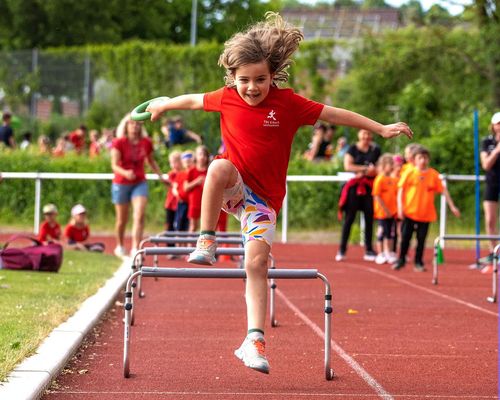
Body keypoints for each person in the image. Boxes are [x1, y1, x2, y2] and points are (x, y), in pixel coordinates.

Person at [145, 12, 412, 375]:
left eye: (260, 80)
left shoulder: (289, 104)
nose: (252, 88)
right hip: (235, 187)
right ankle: (206, 239)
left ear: (273, 75)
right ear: (232, 79)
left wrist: (379, 128)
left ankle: (253, 340)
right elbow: (191, 100)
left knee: (256, 263)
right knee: (218, 166)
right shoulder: (225, 98)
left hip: (264, 202)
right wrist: (162, 104)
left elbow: (335, 115)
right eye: (244, 81)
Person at [392, 147, 459, 272]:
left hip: (425, 213)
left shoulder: (433, 174)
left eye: (425, 158)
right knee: (405, 238)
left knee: (421, 240)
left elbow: (443, 190)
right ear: (415, 160)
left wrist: (452, 206)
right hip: (410, 212)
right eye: (420, 158)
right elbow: (401, 190)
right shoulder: (409, 173)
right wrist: (400, 208)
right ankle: (401, 259)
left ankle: (418, 262)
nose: (422, 161)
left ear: (428, 159)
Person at [111, 114, 167, 257]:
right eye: (132, 124)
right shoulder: (119, 142)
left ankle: (136, 247)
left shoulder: (146, 142)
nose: (135, 127)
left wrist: (162, 177)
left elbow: (151, 161)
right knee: (122, 219)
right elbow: (114, 165)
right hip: (121, 182)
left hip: (139, 182)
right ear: (126, 125)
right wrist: (125, 173)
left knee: (139, 214)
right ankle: (120, 245)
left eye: (138, 124)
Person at [336, 129, 381, 262]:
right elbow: (348, 166)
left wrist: (369, 171)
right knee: (349, 218)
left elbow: (379, 167)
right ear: (359, 134)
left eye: (368, 133)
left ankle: (369, 249)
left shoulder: (376, 150)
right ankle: (342, 249)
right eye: (364, 133)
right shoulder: (352, 148)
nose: (366, 136)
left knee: (369, 218)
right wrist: (365, 169)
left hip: (368, 187)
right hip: (354, 188)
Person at [479, 112, 500, 264]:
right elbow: (486, 164)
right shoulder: (487, 141)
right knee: (490, 219)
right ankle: (494, 253)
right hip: (492, 183)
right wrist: (498, 149)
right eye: (498, 123)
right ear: (493, 125)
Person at [372, 154, 398, 265]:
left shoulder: (393, 179)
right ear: (383, 165)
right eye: (390, 164)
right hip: (383, 212)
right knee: (382, 232)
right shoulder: (380, 179)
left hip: (392, 211)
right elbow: (376, 196)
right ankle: (381, 253)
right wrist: (385, 209)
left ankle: (389, 252)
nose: (392, 166)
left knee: (390, 232)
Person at [185, 145, 210, 232]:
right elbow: (185, 188)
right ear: (196, 156)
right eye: (200, 154)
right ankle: (189, 245)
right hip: (194, 202)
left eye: (204, 155)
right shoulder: (191, 171)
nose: (202, 157)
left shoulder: (210, 171)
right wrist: (197, 181)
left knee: (206, 227)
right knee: (193, 226)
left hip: (207, 202)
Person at [173, 150, 194, 233]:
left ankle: (187, 245)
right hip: (182, 203)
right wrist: (178, 196)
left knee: (188, 225)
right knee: (179, 225)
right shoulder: (181, 174)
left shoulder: (193, 173)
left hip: (191, 203)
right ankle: (179, 244)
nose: (188, 164)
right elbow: (175, 188)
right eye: (186, 162)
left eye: (189, 161)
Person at [164, 150, 183, 232]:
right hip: (171, 203)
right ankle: (169, 243)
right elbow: (169, 184)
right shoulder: (171, 174)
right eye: (171, 162)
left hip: (180, 203)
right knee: (169, 223)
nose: (173, 165)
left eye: (175, 162)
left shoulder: (184, 173)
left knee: (180, 224)